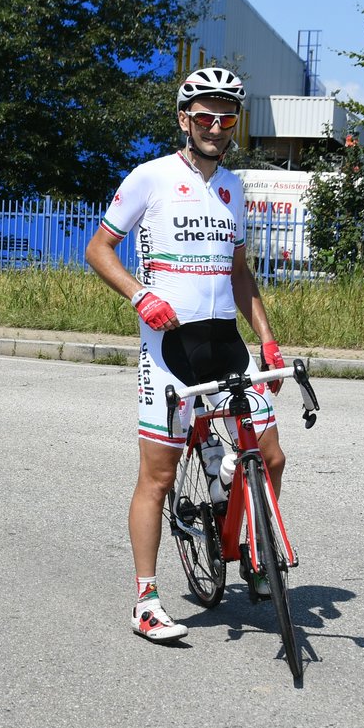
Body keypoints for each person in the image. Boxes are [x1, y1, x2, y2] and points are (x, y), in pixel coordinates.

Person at [84, 67, 286, 643]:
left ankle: (250, 548)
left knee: (269, 457)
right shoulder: (150, 178)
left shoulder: (235, 188)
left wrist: (268, 337)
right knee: (158, 474)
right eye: (205, 116)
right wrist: (140, 295)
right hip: (169, 346)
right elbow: (98, 249)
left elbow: (240, 273)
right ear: (184, 119)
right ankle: (146, 600)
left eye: (226, 117)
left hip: (226, 341)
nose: (216, 127)